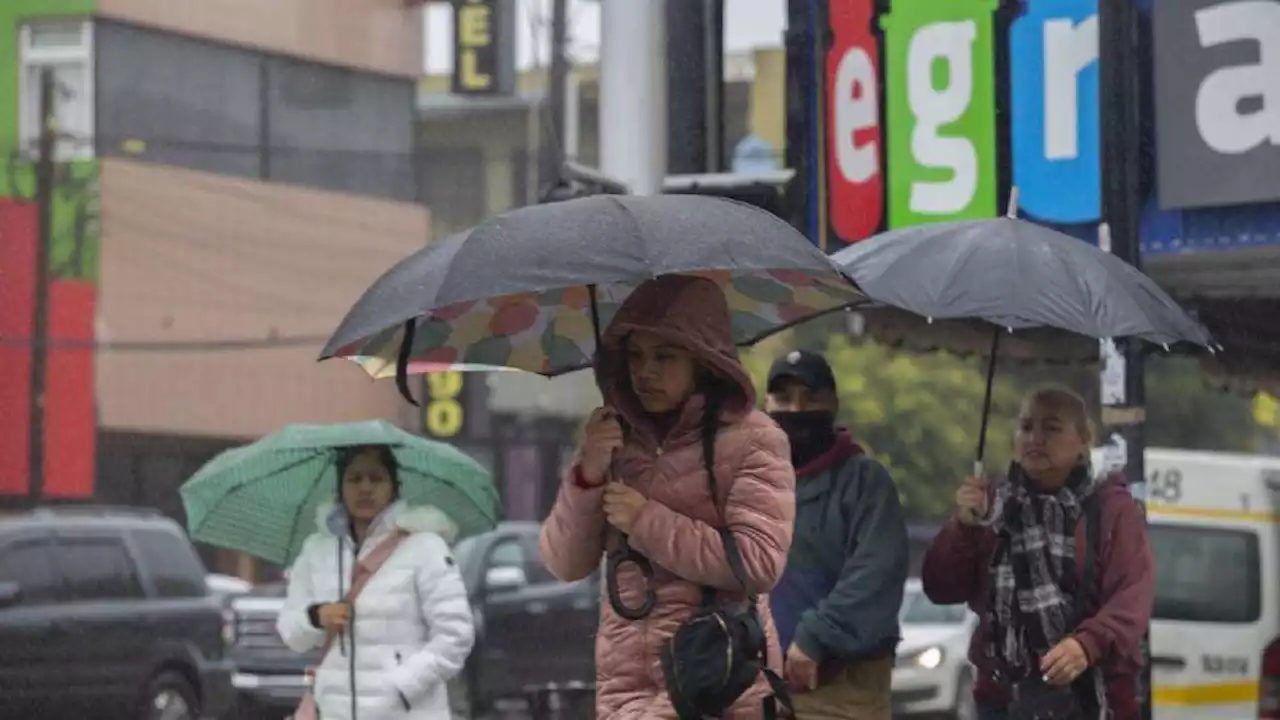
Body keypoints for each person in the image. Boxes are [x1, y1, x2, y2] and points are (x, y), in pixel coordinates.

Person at [539, 274, 797, 720]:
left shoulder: (754, 439)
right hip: (627, 691)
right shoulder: (614, 437)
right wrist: (587, 474)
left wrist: (646, 522)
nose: (646, 372)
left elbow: (758, 563)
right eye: (635, 356)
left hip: (718, 684)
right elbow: (564, 563)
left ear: (704, 360)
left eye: (665, 356)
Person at [921, 386, 1155, 720]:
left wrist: (1086, 645)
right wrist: (963, 527)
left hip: (1092, 701)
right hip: (1003, 700)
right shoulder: (992, 506)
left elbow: (1132, 599)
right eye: (1026, 427)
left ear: (1084, 439)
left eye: (1052, 428)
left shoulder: (1112, 510)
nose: (1035, 439)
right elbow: (941, 588)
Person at [278, 444, 476, 720]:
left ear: (394, 487)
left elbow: (456, 635)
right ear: (340, 486)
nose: (365, 488)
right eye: (355, 478)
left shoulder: (425, 547)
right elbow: (290, 633)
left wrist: (402, 685)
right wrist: (315, 617)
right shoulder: (317, 550)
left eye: (376, 478)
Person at [763, 349, 908, 719]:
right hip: (757, 688)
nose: (795, 410)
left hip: (843, 689)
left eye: (810, 397)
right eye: (782, 398)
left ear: (833, 404)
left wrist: (814, 638)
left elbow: (876, 575)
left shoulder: (866, 482)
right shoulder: (751, 481)